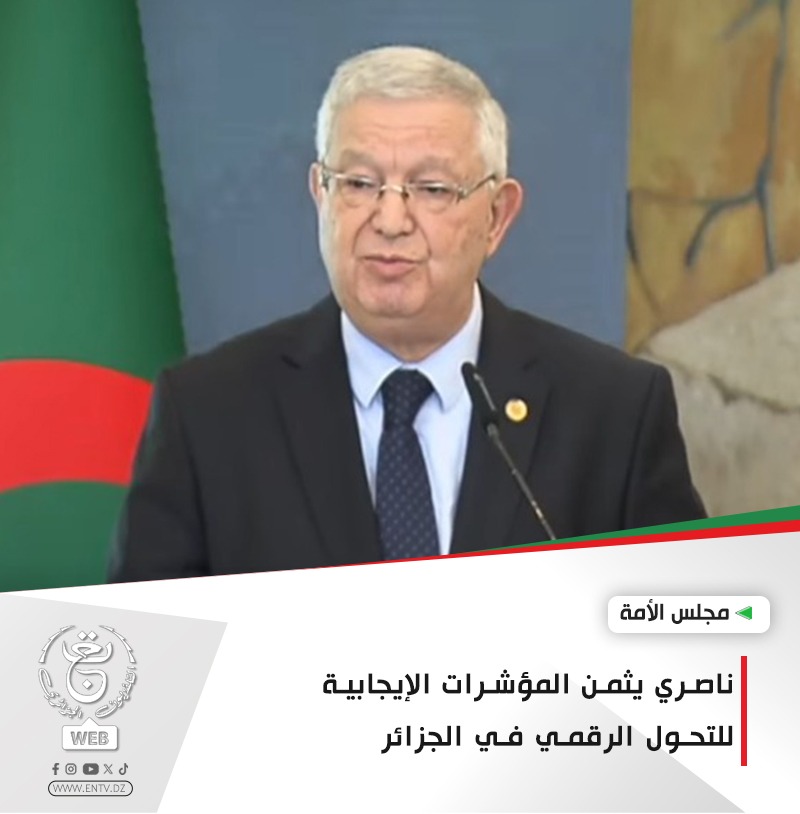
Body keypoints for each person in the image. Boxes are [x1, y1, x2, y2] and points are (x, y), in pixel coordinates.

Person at [108, 45, 705, 582]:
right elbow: (139, 658)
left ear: (496, 217)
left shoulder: (614, 413)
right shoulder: (208, 413)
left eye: (432, 189)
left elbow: (689, 640)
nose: (389, 221)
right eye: (359, 183)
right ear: (320, 194)